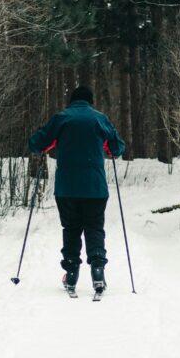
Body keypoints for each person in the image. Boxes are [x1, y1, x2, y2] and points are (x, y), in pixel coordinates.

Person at [28, 85, 126, 294]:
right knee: (94, 227)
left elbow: (37, 144)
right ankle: (98, 271)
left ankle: (71, 274)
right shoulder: (100, 119)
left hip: (67, 187)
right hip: (95, 187)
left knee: (71, 228)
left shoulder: (61, 118)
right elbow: (117, 147)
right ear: (91, 101)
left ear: (72, 101)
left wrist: (42, 136)